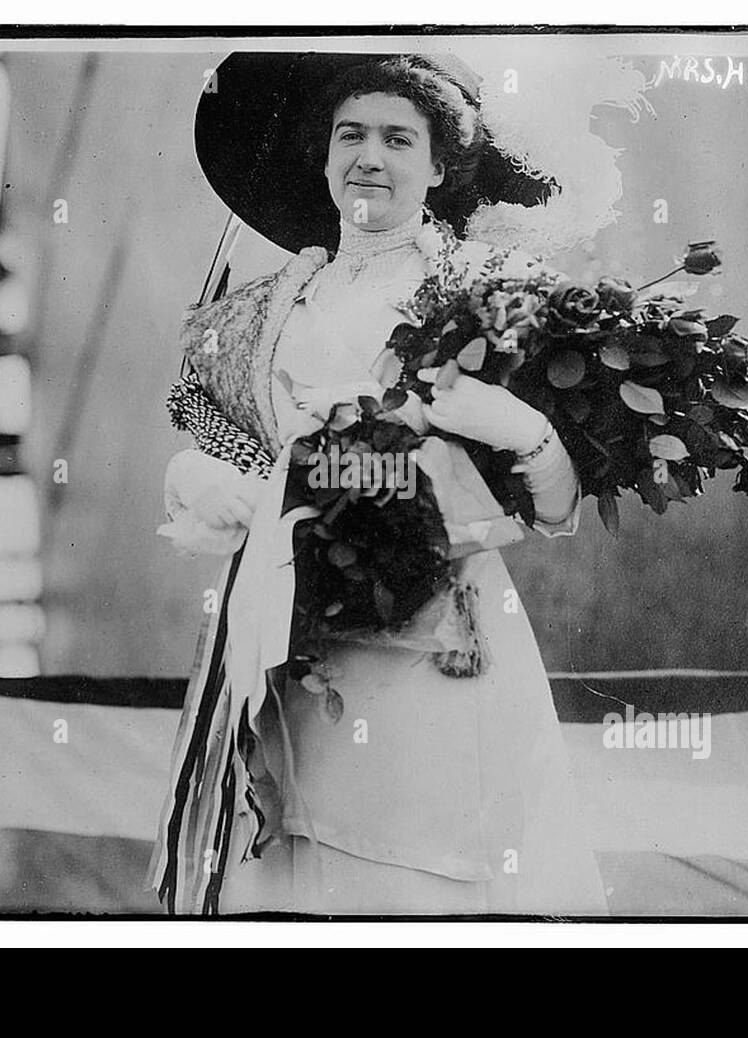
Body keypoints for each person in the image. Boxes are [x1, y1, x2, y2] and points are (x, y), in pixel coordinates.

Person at [149, 52, 611, 916]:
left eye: (399, 138)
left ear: (439, 166)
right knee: (280, 866)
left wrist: (520, 429)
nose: (370, 156)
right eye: (349, 134)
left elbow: (553, 506)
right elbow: (243, 453)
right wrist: (194, 473)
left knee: (414, 875)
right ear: (322, 157)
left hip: (432, 628)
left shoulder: (481, 296)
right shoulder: (265, 309)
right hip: (278, 629)